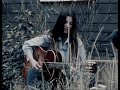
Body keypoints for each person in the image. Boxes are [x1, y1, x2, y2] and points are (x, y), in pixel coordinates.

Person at [22, 9, 86, 89]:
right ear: (60, 22)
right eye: (65, 22)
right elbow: (27, 44)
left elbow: (83, 66)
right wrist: (32, 60)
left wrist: (75, 72)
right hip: (49, 77)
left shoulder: (77, 43)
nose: (67, 26)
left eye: (70, 23)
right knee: (32, 72)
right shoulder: (51, 38)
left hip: (66, 81)